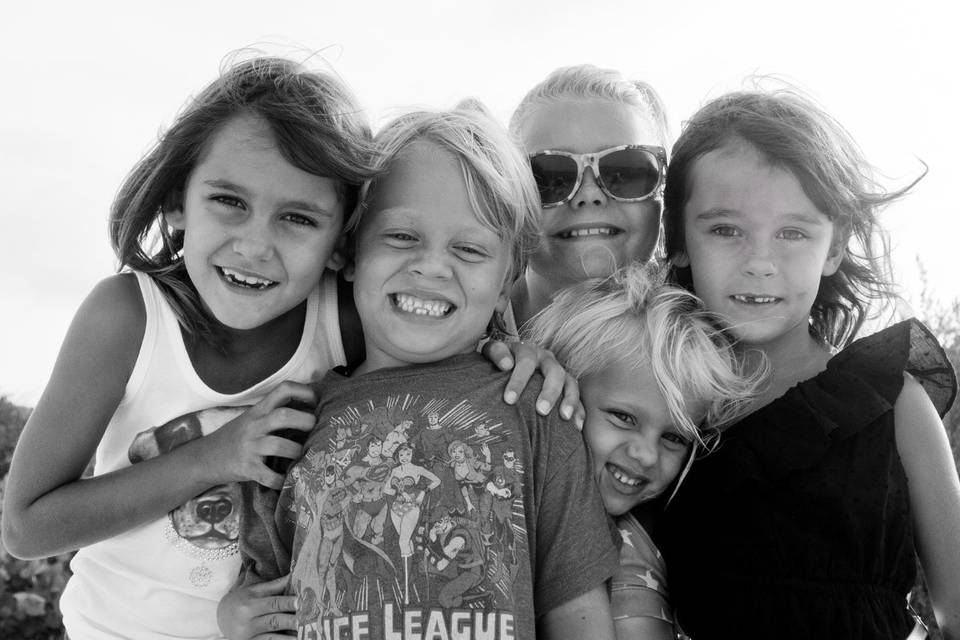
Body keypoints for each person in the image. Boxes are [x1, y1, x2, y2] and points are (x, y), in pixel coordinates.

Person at [0, 55, 377, 640]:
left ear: (340, 240)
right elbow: (25, 528)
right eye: (229, 201)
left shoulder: (345, 325)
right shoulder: (128, 317)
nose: (254, 246)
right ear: (179, 202)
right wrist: (215, 457)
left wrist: (517, 352)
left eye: (298, 218)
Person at [232, 105, 619, 640]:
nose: (434, 267)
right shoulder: (290, 422)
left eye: (469, 249)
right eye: (402, 237)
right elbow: (263, 601)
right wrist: (238, 621)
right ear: (348, 250)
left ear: (509, 278)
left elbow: (576, 610)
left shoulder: (535, 407)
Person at [657, 87, 960, 639]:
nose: (760, 262)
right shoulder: (660, 406)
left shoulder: (892, 404)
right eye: (725, 229)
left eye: (793, 233)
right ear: (678, 239)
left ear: (835, 248)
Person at [525, 262, 760, 640]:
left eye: (673, 438)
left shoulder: (628, 552)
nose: (647, 455)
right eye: (623, 418)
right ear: (559, 390)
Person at [508, 64, 671, 327]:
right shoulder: (452, 331)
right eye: (549, 177)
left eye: (626, 171)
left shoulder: (713, 342)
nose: (589, 194)